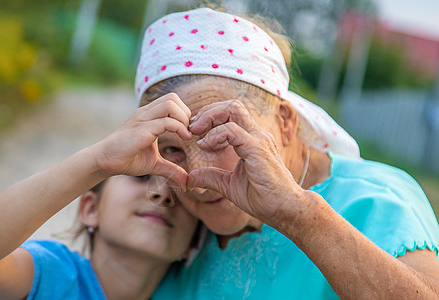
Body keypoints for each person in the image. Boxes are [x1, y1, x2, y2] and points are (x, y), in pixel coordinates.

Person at [134, 7, 439, 299]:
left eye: (220, 137)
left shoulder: (372, 202)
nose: (198, 183)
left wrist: (297, 214)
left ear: (285, 121)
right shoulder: (180, 222)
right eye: (172, 149)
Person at [0, 94, 199, 300]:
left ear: (194, 240)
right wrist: (98, 163)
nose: (161, 194)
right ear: (90, 209)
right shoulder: (54, 276)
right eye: (140, 177)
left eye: (181, 187)